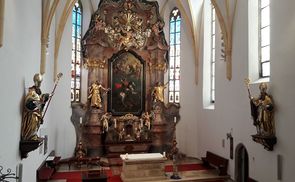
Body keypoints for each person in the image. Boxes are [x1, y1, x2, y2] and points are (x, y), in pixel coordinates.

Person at [21, 73, 49, 141]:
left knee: (35, 125)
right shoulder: (32, 92)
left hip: (36, 115)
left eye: (40, 82)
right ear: (35, 82)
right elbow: (28, 104)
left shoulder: (38, 93)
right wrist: (39, 102)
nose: (39, 84)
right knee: (33, 124)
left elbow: (40, 106)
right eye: (38, 82)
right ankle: (29, 136)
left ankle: (33, 136)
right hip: (31, 116)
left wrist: (44, 101)